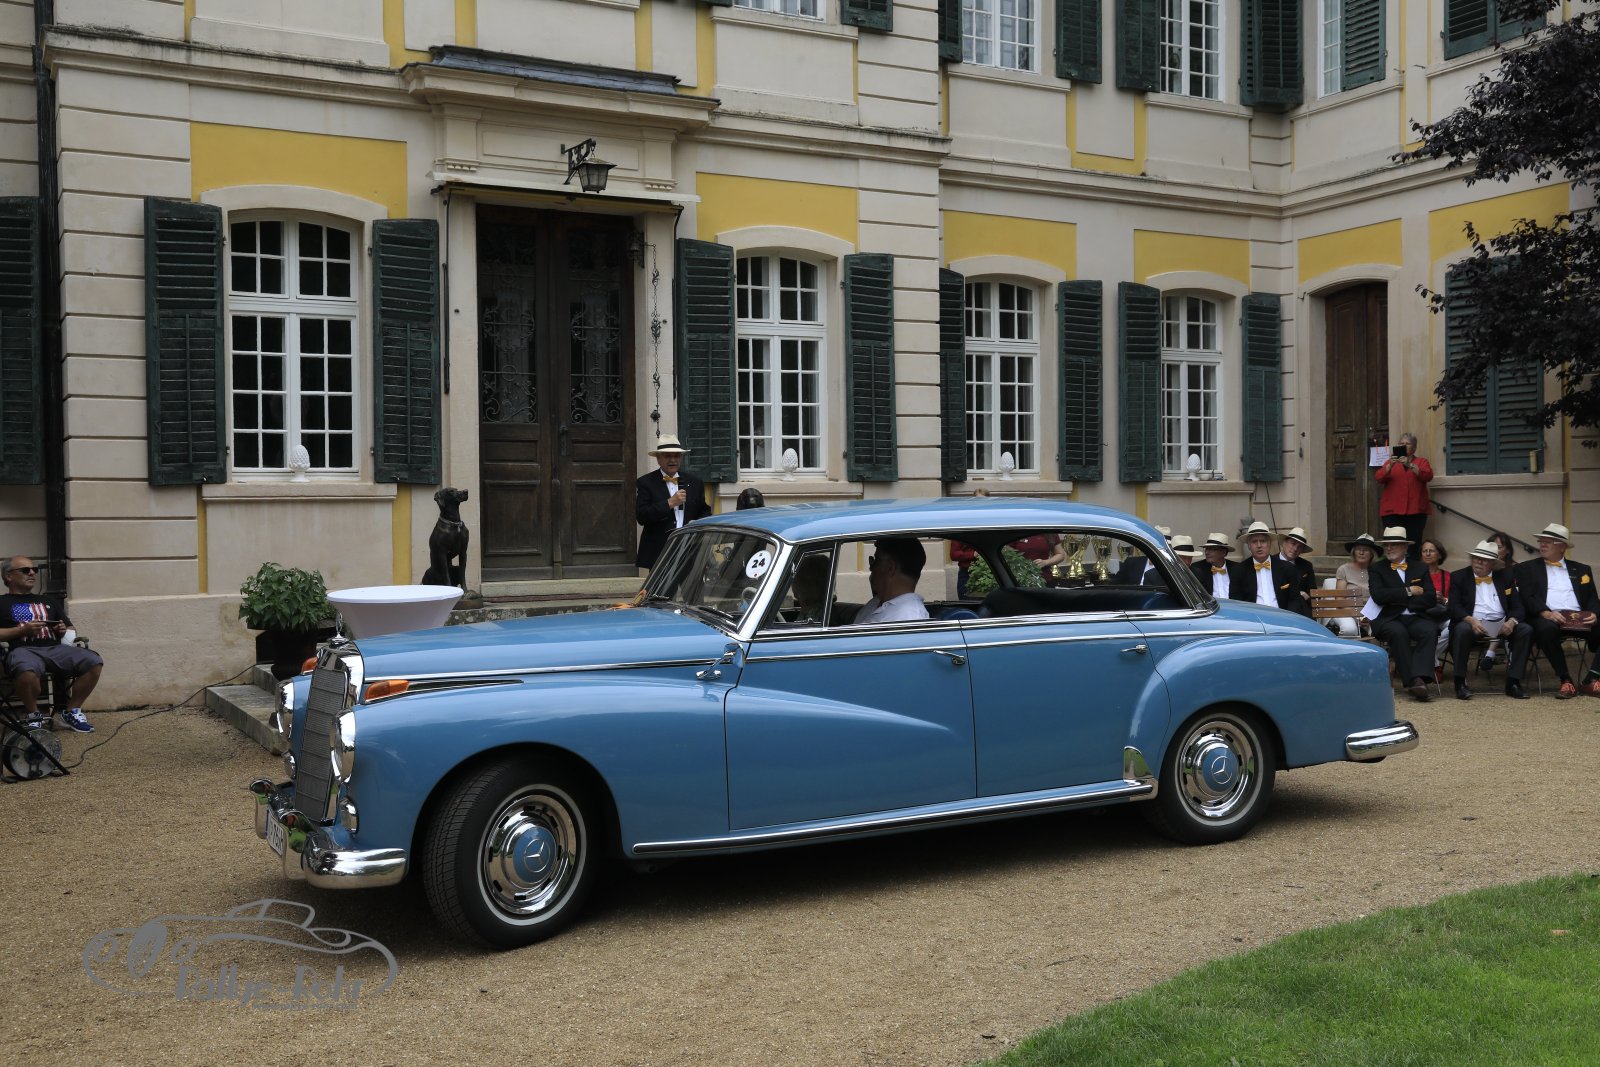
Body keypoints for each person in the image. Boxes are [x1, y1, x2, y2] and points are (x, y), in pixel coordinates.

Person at [0, 556, 102, 732]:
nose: (32, 573)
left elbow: (70, 628)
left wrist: (62, 630)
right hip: (23, 650)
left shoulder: (48, 601)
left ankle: (71, 712)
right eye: (25, 570)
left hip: (55, 648)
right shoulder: (2, 603)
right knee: (26, 669)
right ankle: (34, 714)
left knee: (93, 661)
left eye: (34, 569)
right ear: (8, 576)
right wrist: (22, 631)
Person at [1512, 522, 1600, 699]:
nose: (1542, 545)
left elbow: (1592, 597)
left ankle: (1591, 679)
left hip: (1579, 618)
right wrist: (1546, 613)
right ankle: (1566, 680)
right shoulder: (1526, 568)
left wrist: (1594, 613)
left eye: (1548, 542)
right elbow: (1527, 597)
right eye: (1541, 541)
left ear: (1563, 547)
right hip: (1548, 617)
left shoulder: (1582, 569)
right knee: (1546, 628)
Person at [1447, 540, 1532, 700]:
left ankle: (1513, 683)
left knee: (1525, 630)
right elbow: (1453, 607)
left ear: (1493, 563)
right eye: (1476, 558)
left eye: (1484, 560)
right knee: (1461, 630)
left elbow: (1518, 607)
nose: (1479, 562)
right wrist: (1470, 620)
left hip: (1502, 624)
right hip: (1472, 624)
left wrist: (1512, 621)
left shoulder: (1505, 577)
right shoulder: (1459, 576)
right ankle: (1460, 683)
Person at [1367, 527, 1440, 702]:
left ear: (1405, 547)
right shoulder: (1377, 568)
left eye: (1394, 545)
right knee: (1398, 632)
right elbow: (1378, 596)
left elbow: (1430, 597)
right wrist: (1408, 591)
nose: (1389, 548)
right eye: (1386, 545)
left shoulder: (1419, 567)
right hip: (1388, 618)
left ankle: (1420, 677)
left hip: (1415, 616)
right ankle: (1414, 681)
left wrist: (1397, 599)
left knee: (1429, 630)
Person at [635, 435, 712, 570]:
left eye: (676, 456)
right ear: (658, 459)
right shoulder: (646, 482)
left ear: (681, 458)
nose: (672, 460)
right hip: (660, 549)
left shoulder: (694, 482)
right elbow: (642, 516)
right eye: (667, 456)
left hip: (689, 547)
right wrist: (669, 503)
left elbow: (704, 511)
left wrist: (697, 522)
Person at [1374, 433, 1433, 560]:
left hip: (1415, 511)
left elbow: (1427, 476)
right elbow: (1379, 478)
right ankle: (1392, 568)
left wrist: (1409, 464)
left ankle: (1412, 569)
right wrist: (1390, 465)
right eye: (1401, 443)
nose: (1403, 446)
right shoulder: (1389, 463)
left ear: (1414, 447)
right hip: (1392, 512)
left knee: (1413, 544)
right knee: (1392, 543)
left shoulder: (1421, 462)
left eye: (1407, 443)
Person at [853, 538, 930, 624]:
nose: (871, 568)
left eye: (875, 561)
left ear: (890, 568)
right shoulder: (876, 602)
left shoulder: (909, 618)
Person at [1235, 521, 1299, 612]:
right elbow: (1236, 602)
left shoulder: (1288, 568)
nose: (1259, 545)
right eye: (1254, 542)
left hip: (1282, 616)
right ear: (1249, 545)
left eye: (1263, 541)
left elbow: (1294, 599)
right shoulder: (1239, 570)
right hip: (1253, 617)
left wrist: (1288, 618)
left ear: (1269, 543)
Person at [1481, 530, 1516, 668]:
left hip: (1511, 610)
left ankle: (1490, 654)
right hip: (1489, 613)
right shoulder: (1483, 570)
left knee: (1507, 618)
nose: (1494, 550)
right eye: (1492, 546)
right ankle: (1496, 656)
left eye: (1499, 547)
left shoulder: (1515, 570)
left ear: (1508, 551)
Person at [1420, 538, 1451, 679]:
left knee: (1455, 626)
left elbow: (1455, 601)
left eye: (1431, 551)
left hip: (1441, 614)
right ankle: (1434, 665)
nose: (1427, 554)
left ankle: (1429, 657)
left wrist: (1444, 599)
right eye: (1424, 551)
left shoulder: (1448, 576)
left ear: (1439, 554)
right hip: (1422, 615)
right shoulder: (1415, 575)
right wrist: (1427, 596)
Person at [1276, 526, 1317, 617]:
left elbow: (1314, 594)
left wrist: (1306, 596)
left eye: (1300, 547)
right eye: (1293, 544)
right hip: (1276, 609)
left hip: (1300, 611)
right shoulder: (1271, 562)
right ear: (1284, 542)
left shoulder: (1306, 566)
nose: (1295, 549)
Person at [1191, 532, 1240, 599]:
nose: (1207, 552)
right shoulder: (1198, 568)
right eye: (1206, 549)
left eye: (1212, 549)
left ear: (1223, 552)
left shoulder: (1237, 568)